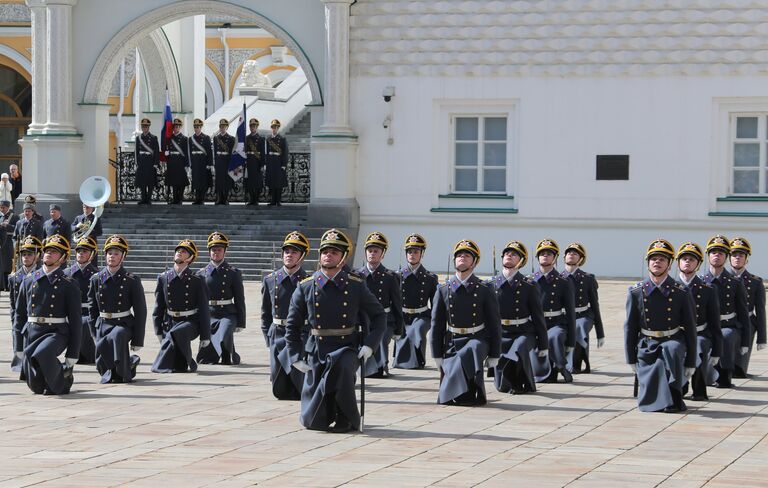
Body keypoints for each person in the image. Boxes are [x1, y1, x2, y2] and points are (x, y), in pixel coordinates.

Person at [285, 228, 386, 433]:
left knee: (340, 369)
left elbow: (379, 316)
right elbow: (292, 325)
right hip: (317, 349)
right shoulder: (306, 286)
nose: (328, 255)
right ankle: (330, 414)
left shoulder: (356, 285)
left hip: (346, 346)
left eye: (334, 252)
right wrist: (295, 356)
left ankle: (347, 417)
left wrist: (369, 345)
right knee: (312, 421)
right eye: (325, 251)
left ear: (343, 258)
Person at [624, 239, 697, 413]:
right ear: (648, 263)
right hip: (647, 342)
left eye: (662, 259)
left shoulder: (680, 292)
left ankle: (673, 400)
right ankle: (657, 401)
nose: (657, 262)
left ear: (670, 264)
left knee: (671, 350)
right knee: (655, 365)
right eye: (653, 258)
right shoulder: (636, 292)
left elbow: (690, 327)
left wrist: (691, 361)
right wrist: (630, 357)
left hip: (673, 338)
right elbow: (630, 327)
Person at [431, 239, 502, 406]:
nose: (462, 257)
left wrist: (495, 354)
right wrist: (436, 354)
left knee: (470, 350)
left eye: (467, 255)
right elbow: (437, 324)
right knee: (455, 361)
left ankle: (456, 393)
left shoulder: (485, 289)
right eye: (459, 255)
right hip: (452, 341)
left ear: (475, 262)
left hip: (478, 338)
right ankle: (462, 395)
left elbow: (494, 323)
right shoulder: (443, 290)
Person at [13, 234, 81, 395]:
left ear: (63, 258)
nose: (49, 254)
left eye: (55, 252)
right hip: (32, 331)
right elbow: (19, 315)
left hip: (56, 332)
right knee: (37, 388)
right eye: (47, 250)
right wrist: (18, 345)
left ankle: (63, 382)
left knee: (43, 353)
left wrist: (73, 353)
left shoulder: (68, 283)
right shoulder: (29, 281)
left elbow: (76, 320)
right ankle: (61, 374)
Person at [486, 241, 548, 394]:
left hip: (524, 331)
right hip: (500, 332)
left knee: (519, 348)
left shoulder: (529, 285)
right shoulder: (490, 284)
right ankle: (507, 381)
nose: (509, 255)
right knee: (502, 387)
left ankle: (521, 384)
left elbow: (538, 316)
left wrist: (544, 345)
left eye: (514, 254)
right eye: (507, 253)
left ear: (521, 261)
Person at [88, 235, 146, 383]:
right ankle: (126, 365)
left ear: (123, 257)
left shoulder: (132, 279)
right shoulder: (96, 279)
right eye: (109, 253)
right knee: (103, 349)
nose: (112, 256)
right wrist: (93, 330)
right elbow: (92, 308)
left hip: (123, 323)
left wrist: (138, 340)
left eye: (116, 253)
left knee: (117, 335)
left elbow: (140, 311)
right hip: (103, 323)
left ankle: (123, 372)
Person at [261, 230, 310, 399]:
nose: (289, 255)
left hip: (298, 333)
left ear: (302, 256)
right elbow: (265, 312)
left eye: (294, 252)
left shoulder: (308, 281)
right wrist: (267, 334)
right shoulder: (270, 279)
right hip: (277, 331)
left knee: (299, 381)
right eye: (287, 251)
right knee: (279, 385)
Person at [151, 239, 211, 373]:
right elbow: (158, 307)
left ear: (190, 258)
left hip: (190, 322)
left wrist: (205, 335)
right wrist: (158, 330)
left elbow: (204, 309)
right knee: (173, 333)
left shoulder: (197, 280)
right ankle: (183, 363)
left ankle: (161, 366)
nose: (179, 253)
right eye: (178, 251)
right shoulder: (163, 278)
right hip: (170, 322)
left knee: (177, 332)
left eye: (184, 252)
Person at [701, 235, 751, 388]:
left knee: (726, 336)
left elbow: (743, 314)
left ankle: (725, 376)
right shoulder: (700, 281)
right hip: (705, 326)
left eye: (721, 253)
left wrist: (745, 341)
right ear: (708, 256)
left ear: (727, 258)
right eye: (713, 252)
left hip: (727, 325)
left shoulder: (735, 283)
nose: (717, 255)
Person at [675, 241, 722, 401]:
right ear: (677, 262)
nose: (687, 261)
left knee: (699, 347)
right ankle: (678, 388)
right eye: (684, 258)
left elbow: (715, 323)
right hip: (676, 333)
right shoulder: (670, 287)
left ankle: (699, 390)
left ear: (699, 264)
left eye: (692, 259)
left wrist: (717, 351)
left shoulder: (708, 289)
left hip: (700, 332)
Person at [356, 231, 404, 378]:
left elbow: (397, 303)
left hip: (385, 319)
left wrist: (398, 329)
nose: (372, 254)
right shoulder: (356, 275)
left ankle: (379, 367)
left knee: (381, 338)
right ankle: (363, 368)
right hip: (363, 318)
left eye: (376, 251)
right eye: (369, 250)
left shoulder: (391, 277)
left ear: (382, 254)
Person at [197, 231, 246, 365]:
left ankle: (228, 355)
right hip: (209, 312)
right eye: (213, 250)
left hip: (227, 313)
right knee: (203, 360)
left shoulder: (233, 272)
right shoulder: (201, 274)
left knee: (224, 334)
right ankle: (232, 355)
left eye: (219, 250)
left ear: (225, 251)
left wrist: (241, 322)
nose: (216, 252)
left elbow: (240, 298)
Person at [530, 239, 576, 383]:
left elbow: (570, 312)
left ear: (555, 258)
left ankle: (561, 366)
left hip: (556, 322)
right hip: (534, 324)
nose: (545, 256)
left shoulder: (564, 281)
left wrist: (571, 341)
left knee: (554, 336)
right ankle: (544, 370)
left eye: (549, 253)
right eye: (542, 253)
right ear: (537, 257)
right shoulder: (529, 281)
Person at [393, 233, 438, 369]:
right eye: (410, 251)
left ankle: (418, 360)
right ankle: (402, 361)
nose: (412, 254)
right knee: (404, 331)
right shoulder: (397, 276)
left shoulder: (430, 278)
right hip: (402, 315)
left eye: (416, 252)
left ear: (422, 254)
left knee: (416, 330)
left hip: (422, 315)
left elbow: (435, 302)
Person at [561, 243, 605, 374]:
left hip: (583, 314)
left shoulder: (588, 278)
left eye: (575, 253)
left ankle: (575, 364)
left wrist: (600, 333)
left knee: (579, 327)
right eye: (569, 253)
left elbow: (595, 305)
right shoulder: (558, 278)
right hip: (563, 315)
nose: (571, 255)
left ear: (581, 259)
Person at [729, 237, 767, 377]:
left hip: (748, 324)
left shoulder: (755, 282)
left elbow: (761, 310)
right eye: (734, 255)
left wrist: (762, 338)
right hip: (726, 322)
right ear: (729, 258)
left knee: (740, 367)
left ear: (747, 259)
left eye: (741, 255)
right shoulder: (722, 279)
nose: (737, 258)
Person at [63, 235, 99, 365]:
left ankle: (87, 354)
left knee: (83, 323)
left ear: (92, 254)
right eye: (79, 251)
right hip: (68, 312)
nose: (81, 254)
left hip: (87, 312)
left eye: (85, 251)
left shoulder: (96, 274)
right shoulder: (66, 273)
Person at [8, 235, 41, 372]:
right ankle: (19, 362)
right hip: (20, 314)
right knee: (19, 340)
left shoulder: (40, 275)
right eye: (24, 255)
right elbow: (12, 301)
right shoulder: (15, 277)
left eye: (29, 254)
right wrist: (14, 317)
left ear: (36, 256)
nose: (26, 257)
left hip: (35, 315)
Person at [135, 118, 160, 205]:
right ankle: (143, 198)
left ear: (149, 127)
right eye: (143, 127)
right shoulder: (138, 138)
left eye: (146, 127)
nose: (144, 128)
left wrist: (156, 163)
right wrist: (136, 162)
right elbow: (136, 151)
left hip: (150, 161)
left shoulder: (153, 138)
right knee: (142, 181)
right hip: (142, 161)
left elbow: (156, 151)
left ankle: (148, 199)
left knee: (150, 181)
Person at [13, 198, 44, 268]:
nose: (27, 213)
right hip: (22, 249)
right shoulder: (19, 223)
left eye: (29, 211)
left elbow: (40, 238)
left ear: (32, 212)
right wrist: (16, 247)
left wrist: (38, 251)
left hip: (32, 250)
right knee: (21, 268)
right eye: (25, 211)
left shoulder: (37, 223)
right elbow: (14, 237)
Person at [188, 118, 213, 205]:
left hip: (203, 162)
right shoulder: (191, 139)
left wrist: (209, 164)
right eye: (195, 127)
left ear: (201, 127)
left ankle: (201, 199)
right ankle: (197, 199)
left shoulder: (206, 138)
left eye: (198, 127)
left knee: (203, 181)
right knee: (196, 181)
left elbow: (209, 152)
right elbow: (190, 152)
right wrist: (190, 163)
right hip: (195, 162)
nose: (196, 128)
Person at [165, 118, 190, 205]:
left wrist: (187, 164)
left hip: (180, 162)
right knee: (174, 182)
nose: (176, 129)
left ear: (180, 128)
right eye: (174, 127)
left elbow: (186, 152)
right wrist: (166, 154)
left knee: (181, 182)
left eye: (177, 127)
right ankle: (175, 199)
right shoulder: (170, 138)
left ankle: (180, 199)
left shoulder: (184, 138)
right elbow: (167, 148)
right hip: (172, 162)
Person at [265, 119, 288, 206]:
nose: (274, 129)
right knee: (272, 182)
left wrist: (284, 164)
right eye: (273, 127)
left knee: (278, 183)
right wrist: (265, 163)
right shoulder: (268, 139)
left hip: (278, 163)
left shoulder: (282, 139)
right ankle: (273, 200)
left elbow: (285, 153)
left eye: (276, 127)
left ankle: (278, 200)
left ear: (278, 128)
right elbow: (266, 152)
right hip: (271, 162)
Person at [212, 119, 235, 205]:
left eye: (224, 126)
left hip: (226, 161)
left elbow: (232, 152)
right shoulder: (216, 138)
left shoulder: (231, 139)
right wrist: (214, 162)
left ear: (227, 127)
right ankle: (219, 198)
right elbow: (214, 151)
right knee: (219, 180)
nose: (222, 128)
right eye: (221, 126)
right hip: (219, 161)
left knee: (226, 181)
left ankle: (225, 199)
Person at [245, 118, 264, 206]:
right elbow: (244, 151)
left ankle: (256, 199)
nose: (252, 128)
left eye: (254, 126)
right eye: (251, 126)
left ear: (256, 127)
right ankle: (251, 199)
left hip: (257, 162)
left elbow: (263, 153)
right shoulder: (247, 138)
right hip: (249, 162)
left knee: (257, 182)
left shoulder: (260, 139)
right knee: (250, 182)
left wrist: (262, 164)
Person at [0, 200, 19, 290]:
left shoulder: (14, 216)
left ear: (8, 207)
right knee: (1, 264)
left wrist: (7, 226)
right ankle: (2, 285)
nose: (2, 209)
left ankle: (8, 286)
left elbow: (17, 228)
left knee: (8, 263)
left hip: (8, 242)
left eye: (3, 207)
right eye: (1, 207)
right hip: (1, 242)